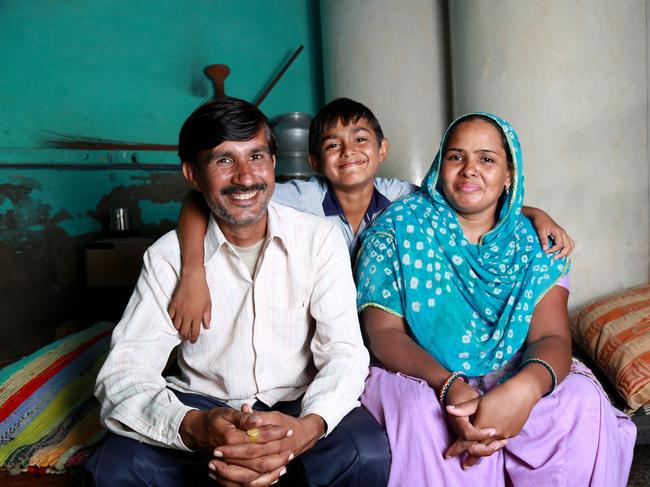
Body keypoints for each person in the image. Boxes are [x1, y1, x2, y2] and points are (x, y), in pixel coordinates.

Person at [86, 96, 390, 487]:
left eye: (257, 156)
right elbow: (122, 374)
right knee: (113, 468)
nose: (246, 177)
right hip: (202, 405)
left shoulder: (319, 239)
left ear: (275, 164)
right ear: (193, 175)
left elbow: (345, 354)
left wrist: (306, 429)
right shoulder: (166, 259)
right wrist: (193, 426)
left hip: (296, 403)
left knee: (365, 454)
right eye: (223, 160)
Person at [354, 113, 636, 486]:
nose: (470, 170)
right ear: (440, 167)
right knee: (425, 414)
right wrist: (448, 384)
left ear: (508, 176)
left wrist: (524, 388)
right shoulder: (397, 228)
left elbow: (550, 337)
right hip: (422, 372)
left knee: (581, 402)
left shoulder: (537, 241)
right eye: (456, 157)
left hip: (514, 366)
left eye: (486, 159)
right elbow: (384, 334)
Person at [167, 98, 574, 342]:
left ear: (382, 150)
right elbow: (200, 201)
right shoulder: (297, 197)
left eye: (360, 139)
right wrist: (192, 272)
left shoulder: (403, 197)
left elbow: (463, 196)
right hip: (318, 330)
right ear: (314, 162)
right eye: (332, 144)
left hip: (389, 326)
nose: (348, 152)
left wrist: (530, 211)